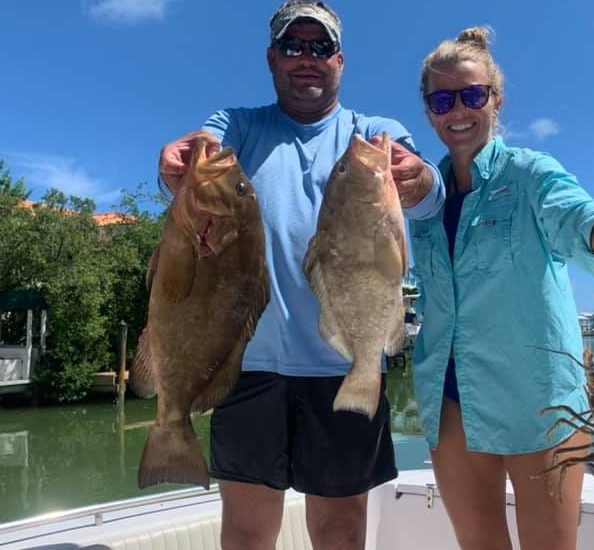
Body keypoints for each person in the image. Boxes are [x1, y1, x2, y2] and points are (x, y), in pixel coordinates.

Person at [156, 2, 444, 549]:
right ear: (272, 58)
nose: (306, 59)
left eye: (319, 48)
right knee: (246, 529)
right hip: (247, 362)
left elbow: (427, 193)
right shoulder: (240, 124)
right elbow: (201, 153)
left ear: (340, 60)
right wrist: (172, 161)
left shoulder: (374, 132)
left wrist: (419, 179)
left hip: (345, 361)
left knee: (340, 530)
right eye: (293, 47)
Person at [410, 27, 594, 550]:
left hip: (542, 403)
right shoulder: (423, 197)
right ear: (429, 110)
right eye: (442, 99)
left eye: (472, 95)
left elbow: (571, 213)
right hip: (450, 402)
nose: (457, 110)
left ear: (495, 99)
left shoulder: (530, 172)